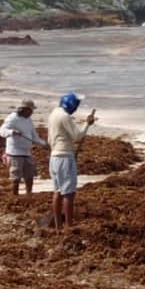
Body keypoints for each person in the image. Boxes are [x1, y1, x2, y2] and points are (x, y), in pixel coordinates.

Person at [47, 93, 96, 228]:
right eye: (75, 106)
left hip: (54, 156)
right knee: (69, 194)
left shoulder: (53, 114)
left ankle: (58, 226)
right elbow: (77, 136)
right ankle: (69, 226)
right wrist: (87, 124)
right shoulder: (64, 116)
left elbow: (50, 139)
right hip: (64, 157)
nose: (75, 109)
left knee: (57, 192)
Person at [0, 100, 47, 194]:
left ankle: (29, 194)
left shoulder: (28, 120)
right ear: (24, 109)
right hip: (14, 152)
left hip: (27, 152)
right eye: (31, 110)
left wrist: (43, 144)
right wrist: (12, 132)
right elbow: (2, 131)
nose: (32, 112)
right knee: (16, 176)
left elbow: (34, 137)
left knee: (30, 175)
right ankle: (15, 195)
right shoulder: (12, 118)